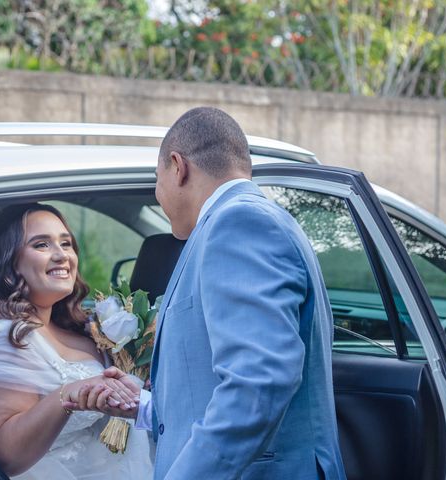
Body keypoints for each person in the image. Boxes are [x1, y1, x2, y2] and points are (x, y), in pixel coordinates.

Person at [73, 107, 346, 479]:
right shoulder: (249, 221)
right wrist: (148, 406)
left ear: (177, 166)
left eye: (157, 179)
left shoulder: (238, 224)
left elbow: (257, 383)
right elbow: (216, 383)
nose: (159, 193)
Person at [0, 203, 153, 479]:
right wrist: (67, 396)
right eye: (42, 245)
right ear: (10, 260)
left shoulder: (70, 325)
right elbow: (2, 455)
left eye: (66, 243)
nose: (61, 255)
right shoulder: (1, 335)